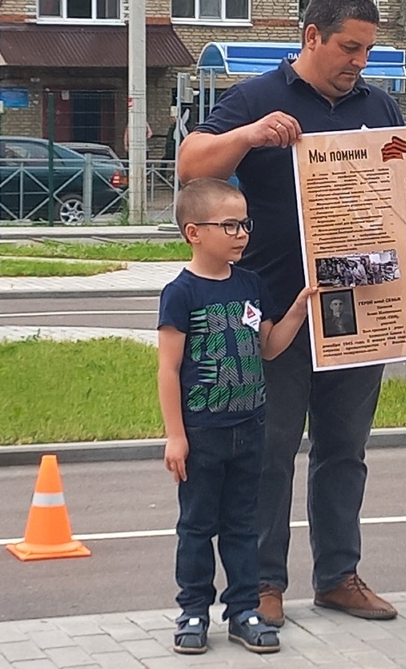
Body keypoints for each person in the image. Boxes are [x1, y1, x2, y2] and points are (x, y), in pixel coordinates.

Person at [176, 0, 404, 627]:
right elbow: (191, 164)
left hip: (359, 305)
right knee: (270, 453)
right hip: (276, 311)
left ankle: (338, 576)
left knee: (345, 450)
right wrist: (251, 135)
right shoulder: (256, 97)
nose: (359, 60)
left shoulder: (379, 106)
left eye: (367, 49)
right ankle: (262, 586)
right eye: (349, 47)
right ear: (311, 36)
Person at [158, 177, 315, 656]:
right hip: (203, 432)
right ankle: (192, 611)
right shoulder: (180, 293)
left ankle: (244, 610)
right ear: (194, 232)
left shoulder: (251, 285)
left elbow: (268, 348)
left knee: (244, 526)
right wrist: (176, 436)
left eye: (245, 224)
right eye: (229, 225)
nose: (242, 234)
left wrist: (298, 310)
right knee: (196, 527)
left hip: (250, 429)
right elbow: (168, 369)